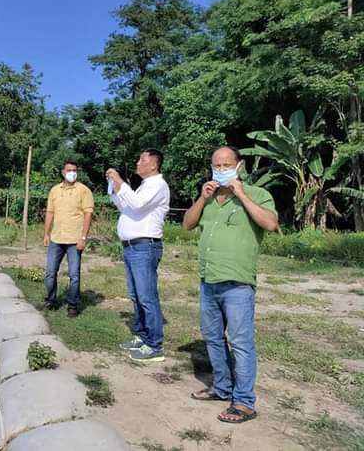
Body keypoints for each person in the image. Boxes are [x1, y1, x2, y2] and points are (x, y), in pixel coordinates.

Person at [183, 146, 278, 424]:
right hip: (208, 281)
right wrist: (202, 198)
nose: (221, 169)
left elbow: (271, 224)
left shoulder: (258, 195)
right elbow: (188, 224)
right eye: (216, 164)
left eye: (226, 164)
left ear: (239, 167)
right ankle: (222, 387)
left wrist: (241, 194)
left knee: (240, 343)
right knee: (213, 338)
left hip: (238, 284)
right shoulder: (209, 198)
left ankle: (245, 402)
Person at [106, 149, 170, 363]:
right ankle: (142, 336)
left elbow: (137, 204)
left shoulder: (158, 185)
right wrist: (115, 188)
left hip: (145, 247)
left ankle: (154, 345)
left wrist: (120, 180)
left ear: (153, 164)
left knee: (146, 296)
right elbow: (126, 206)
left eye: (142, 159)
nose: (138, 162)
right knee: (136, 295)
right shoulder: (144, 186)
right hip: (132, 248)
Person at [43, 159, 94, 317]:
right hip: (56, 238)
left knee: (74, 275)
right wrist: (46, 233)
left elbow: (88, 214)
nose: (72, 172)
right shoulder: (54, 190)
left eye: (74, 170)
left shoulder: (83, 190)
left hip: (74, 240)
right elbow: (50, 213)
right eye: (69, 170)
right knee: (50, 272)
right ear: (63, 172)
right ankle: (51, 300)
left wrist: (83, 238)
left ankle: (73, 305)